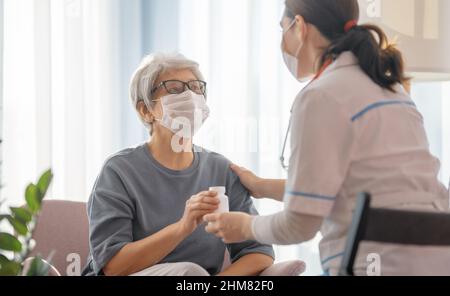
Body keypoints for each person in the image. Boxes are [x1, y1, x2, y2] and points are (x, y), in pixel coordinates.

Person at [204, 0, 450, 276]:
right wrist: (261, 187)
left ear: (299, 26)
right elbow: (353, 189)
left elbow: (301, 224)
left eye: (282, 28)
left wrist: (244, 226)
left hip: (374, 264)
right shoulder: (389, 87)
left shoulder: (320, 96)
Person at [82, 53, 274, 276]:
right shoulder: (119, 171)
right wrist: (182, 228)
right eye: (174, 89)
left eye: (196, 88)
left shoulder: (221, 170)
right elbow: (112, 266)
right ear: (146, 110)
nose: (191, 97)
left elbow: (259, 252)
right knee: (189, 272)